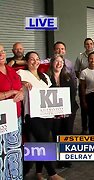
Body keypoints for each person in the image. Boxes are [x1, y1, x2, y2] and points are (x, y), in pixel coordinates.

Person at [17, 51, 64, 180]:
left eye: (37, 59)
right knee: (44, 141)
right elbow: (14, 83)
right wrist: (23, 83)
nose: (35, 61)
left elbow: (50, 95)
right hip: (31, 115)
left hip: (46, 115)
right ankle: (52, 173)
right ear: (26, 61)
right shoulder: (21, 74)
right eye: (32, 59)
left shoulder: (44, 76)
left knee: (39, 142)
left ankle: (38, 172)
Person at [47, 54, 77, 169]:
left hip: (69, 110)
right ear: (52, 63)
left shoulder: (68, 76)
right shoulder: (46, 78)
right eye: (57, 61)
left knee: (67, 134)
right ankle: (59, 159)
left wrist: (66, 108)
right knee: (56, 134)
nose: (59, 64)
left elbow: (73, 93)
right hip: (54, 112)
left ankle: (67, 158)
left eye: (61, 62)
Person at [0, 44, 24, 180]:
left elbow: (19, 88)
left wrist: (21, 93)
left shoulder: (11, 70)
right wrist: (8, 93)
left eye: (2, 51)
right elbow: (12, 91)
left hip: (14, 117)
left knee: (14, 151)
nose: (1, 54)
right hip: (1, 118)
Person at [75, 38, 94, 135]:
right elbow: (76, 70)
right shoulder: (80, 57)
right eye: (87, 44)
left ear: (93, 45)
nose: (89, 46)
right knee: (84, 107)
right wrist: (83, 78)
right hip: (83, 85)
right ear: (84, 46)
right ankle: (84, 128)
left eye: (91, 44)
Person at [79, 52, 94, 135]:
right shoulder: (84, 72)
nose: (93, 60)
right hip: (89, 96)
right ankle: (92, 135)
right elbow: (82, 88)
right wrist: (83, 101)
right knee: (90, 118)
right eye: (91, 58)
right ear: (88, 60)